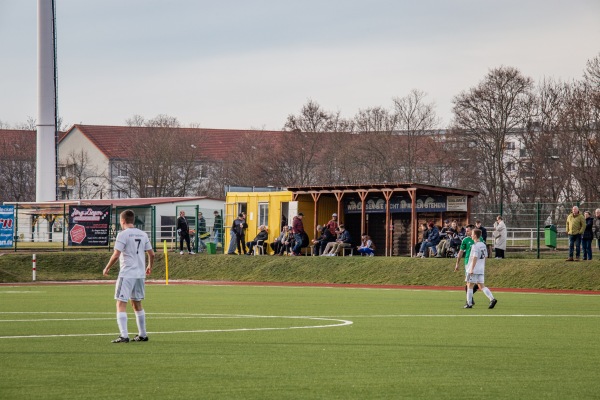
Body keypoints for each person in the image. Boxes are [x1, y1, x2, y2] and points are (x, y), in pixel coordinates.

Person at [103, 209, 155, 343]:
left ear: (122, 221)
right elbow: (152, 254)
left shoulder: (123, 234)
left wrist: (107, 267)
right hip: (140, 274)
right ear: (133, 220)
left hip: (127, 274)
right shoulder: (143, 234)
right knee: (137, 303)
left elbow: (116, 254)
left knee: (121, 303)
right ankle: (143, 334)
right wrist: (149, 266)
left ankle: (124, 335)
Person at [463, 228, 497, 309]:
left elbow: (474, 257)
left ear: (475, 235)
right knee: (482, 286)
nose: (471, 235)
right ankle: (492, 299)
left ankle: (469, 303)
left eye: (472, 234)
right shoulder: (483, 245)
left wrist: (471, 269)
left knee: (469, 285)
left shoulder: (475, 246)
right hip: (481, 269)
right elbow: (485, 256)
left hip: (474, 269)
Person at [454, 224, 481, 305]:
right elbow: (461, 252)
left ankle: (470, 298)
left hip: (478, 263)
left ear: (473, 231)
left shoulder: (480, 239)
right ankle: (469, 300)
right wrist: (457, 263)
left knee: (479, 283)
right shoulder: (465, 240)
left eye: (468, 231)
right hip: (468, 263)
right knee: (468, 282)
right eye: (466, 231)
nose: (466, 232)